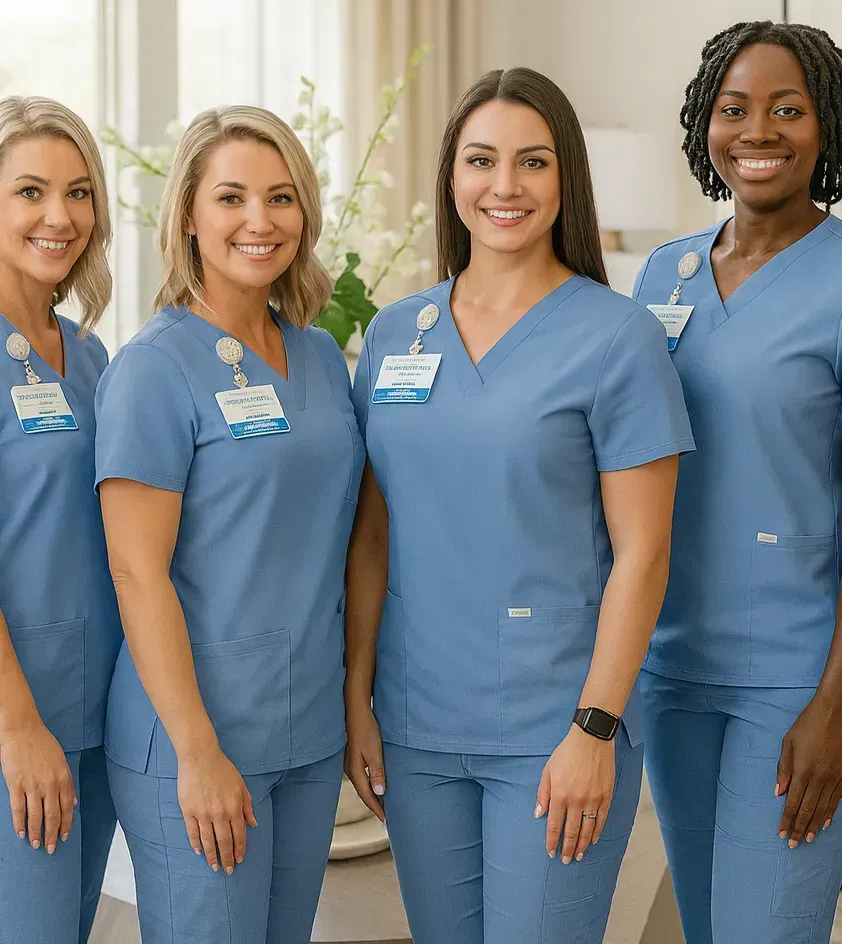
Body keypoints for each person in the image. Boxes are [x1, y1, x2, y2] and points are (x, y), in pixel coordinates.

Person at [343, 67, 693, 944]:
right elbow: (372, 533)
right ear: (450, 178)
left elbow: (645, 555)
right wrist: (358, 697)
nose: (505, 186)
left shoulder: (618, 339)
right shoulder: (396, 333)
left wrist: (595, 727)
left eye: (532, 162)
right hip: (417, 722)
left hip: (555, 725)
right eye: (481, 160)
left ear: (565, 178)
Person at [631, 22, 842, 944]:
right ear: (704, 125)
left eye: (786, 109)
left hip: (800, 672)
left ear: (828, 127)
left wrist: (836, 706)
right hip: (675, 665)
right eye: (734, 110)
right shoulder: (663, 274)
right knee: (705, 928)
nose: (757, 131)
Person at [94, 105, 364, 943]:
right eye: (232, 197)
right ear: (189, 215)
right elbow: (138, 573)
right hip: (195, 736)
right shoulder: (153, 370)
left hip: (310, 729)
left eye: (281, 198)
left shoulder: (319, 353)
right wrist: (197, 750)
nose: (259, 221)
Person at [0, 95, 118, 944]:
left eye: (79, 193)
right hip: (17, 720)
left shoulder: (92, 354)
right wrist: (18, 726)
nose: (59, 216)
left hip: (100, 713)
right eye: (30, 191)